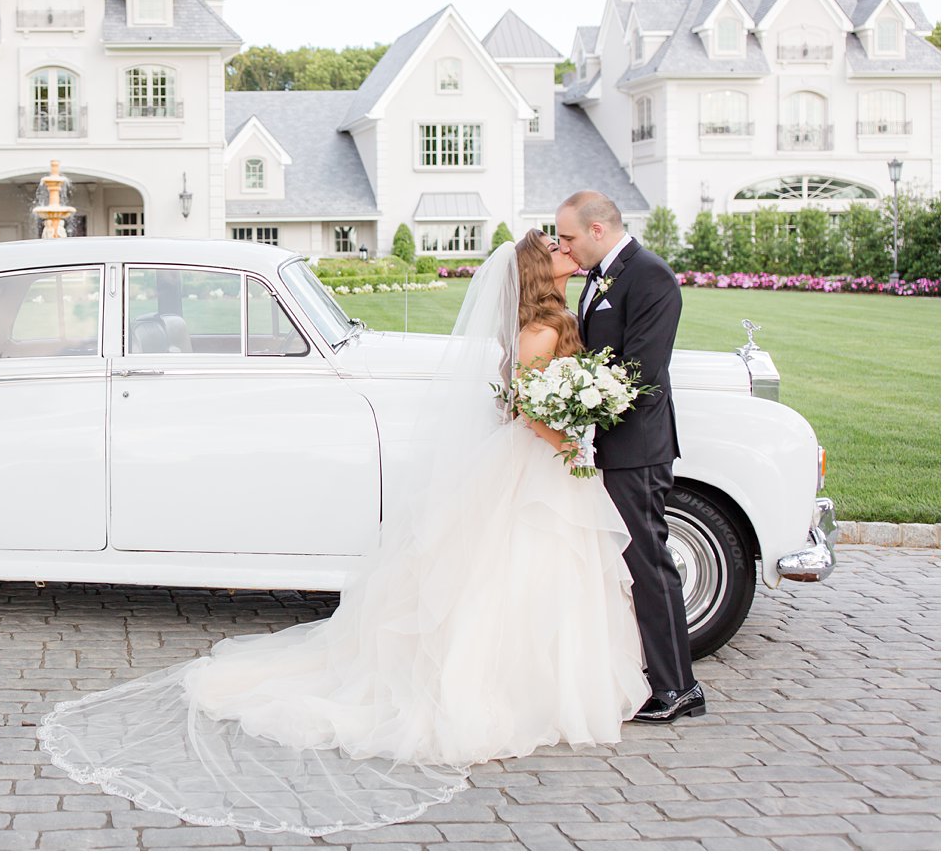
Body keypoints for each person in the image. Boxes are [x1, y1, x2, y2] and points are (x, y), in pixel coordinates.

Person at [37, 230, 651, 836]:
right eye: (560, 253)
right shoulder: (540, 332)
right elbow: (529, 408)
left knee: (517, 573)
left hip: (532, 463)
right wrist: (572, 442)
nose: (570, 256)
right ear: (542, 275)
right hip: (539, 461)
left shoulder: (540, 325)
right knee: (509, 573)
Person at [554, 190, 703, 723]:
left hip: (637, 447)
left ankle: (678, 687)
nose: (563, 247)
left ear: (599, 229)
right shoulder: (600, 276)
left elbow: (641, 370)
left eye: (568, 236)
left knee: (649, 563)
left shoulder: (651, 276)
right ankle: (651, 674)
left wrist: (577, 397)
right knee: (630, 565)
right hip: (610, 444)